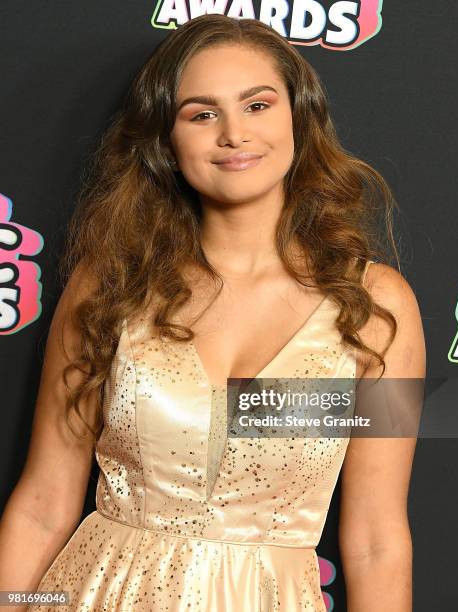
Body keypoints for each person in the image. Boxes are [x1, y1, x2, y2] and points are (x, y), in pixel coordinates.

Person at [0, 14, 425, 612]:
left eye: (257, 105)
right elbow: (44, 505)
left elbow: (377, 541)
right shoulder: (113, 285)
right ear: (166, 143)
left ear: (299, 119)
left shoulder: (374, 308)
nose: (233, 134)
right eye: (201, 114)